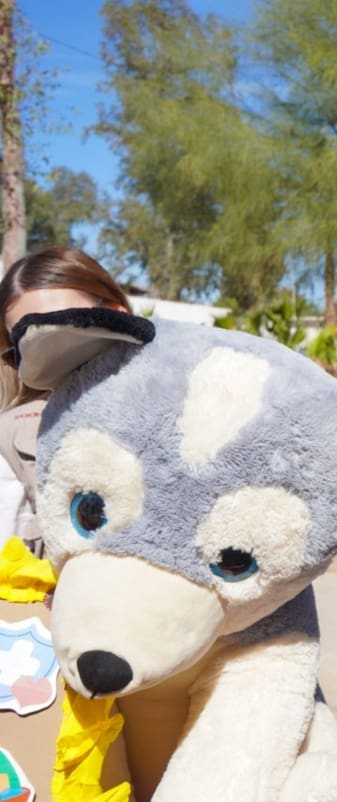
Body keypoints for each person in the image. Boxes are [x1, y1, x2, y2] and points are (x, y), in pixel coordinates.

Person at [0, 245, 134, 801]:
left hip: (178, 682)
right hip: (59, 694)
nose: (47, 358)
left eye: (63, 331)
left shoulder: (189, 418)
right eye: (21, 346)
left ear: (118, 317)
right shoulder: (13, 441)